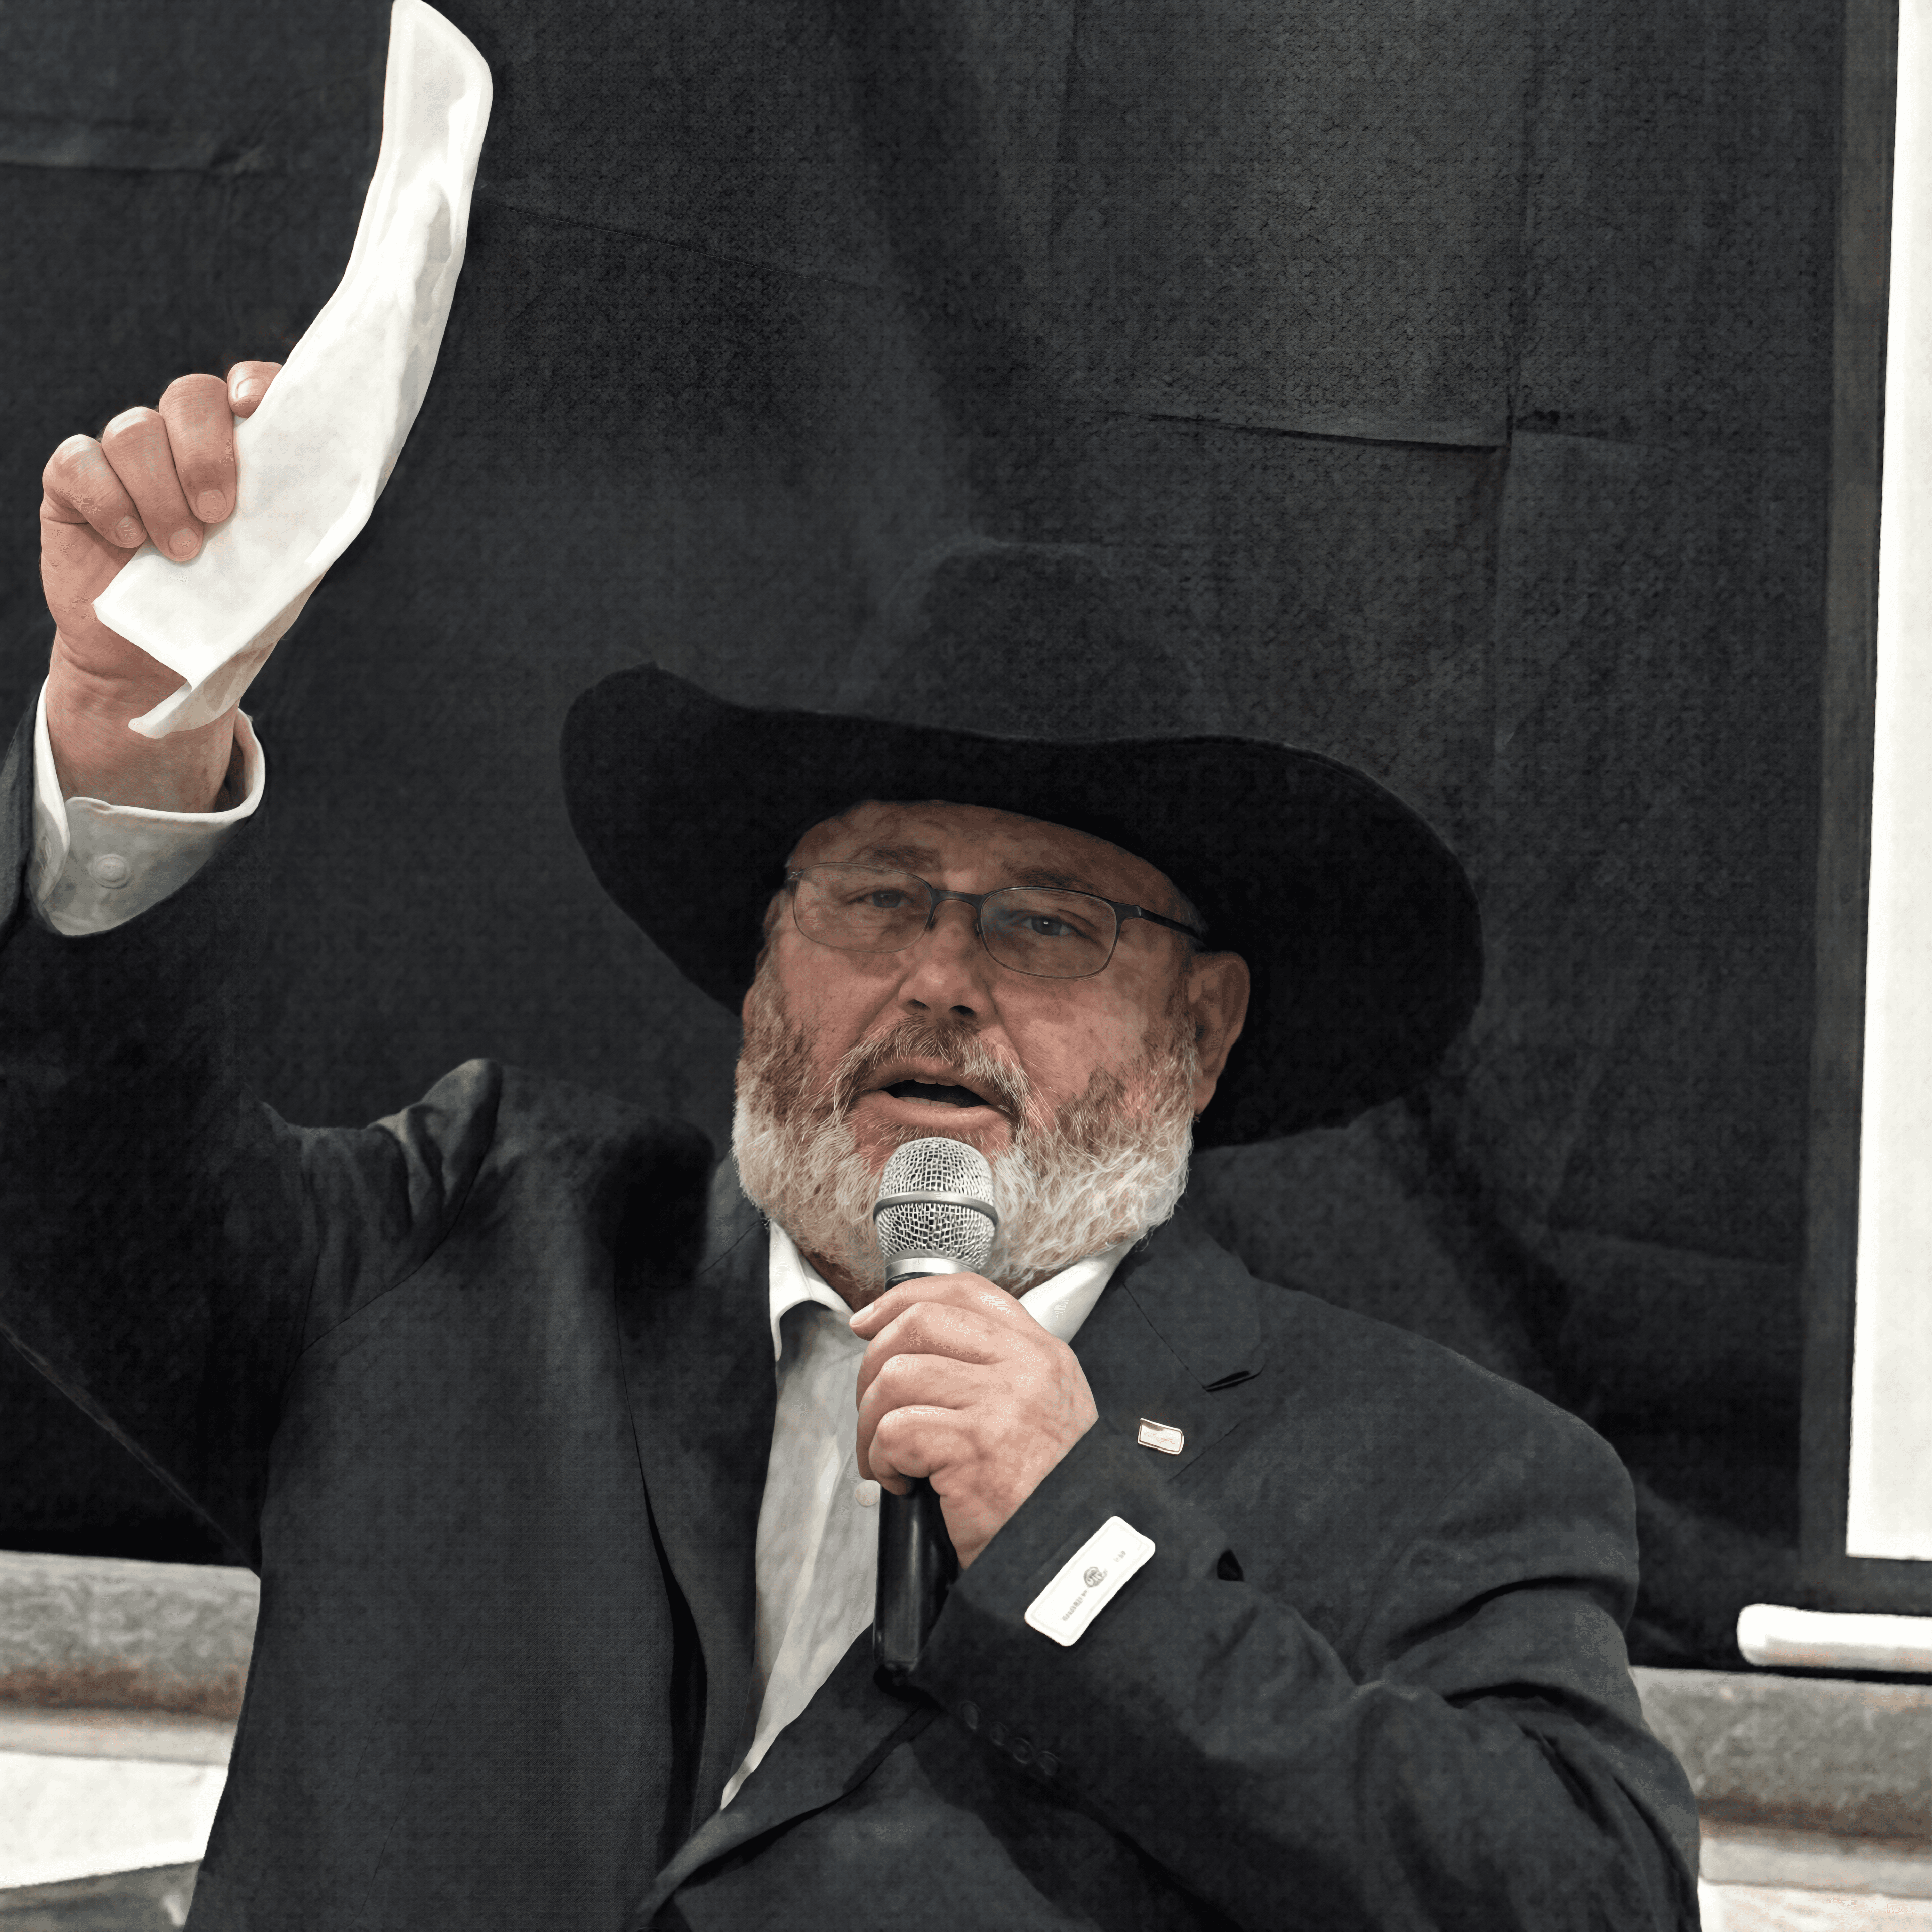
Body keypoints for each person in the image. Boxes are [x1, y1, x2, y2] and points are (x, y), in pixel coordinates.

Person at [1, 364, 1702, 1930]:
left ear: (1204, 1025)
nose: (940, 980)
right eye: (877, 899)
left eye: (1046, 927)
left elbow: (1583, 1901)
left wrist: (1075, 1543)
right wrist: (129, 742)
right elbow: (76, 1177)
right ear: (764, 961)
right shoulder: (468, 1244)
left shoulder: (1441, 1474)